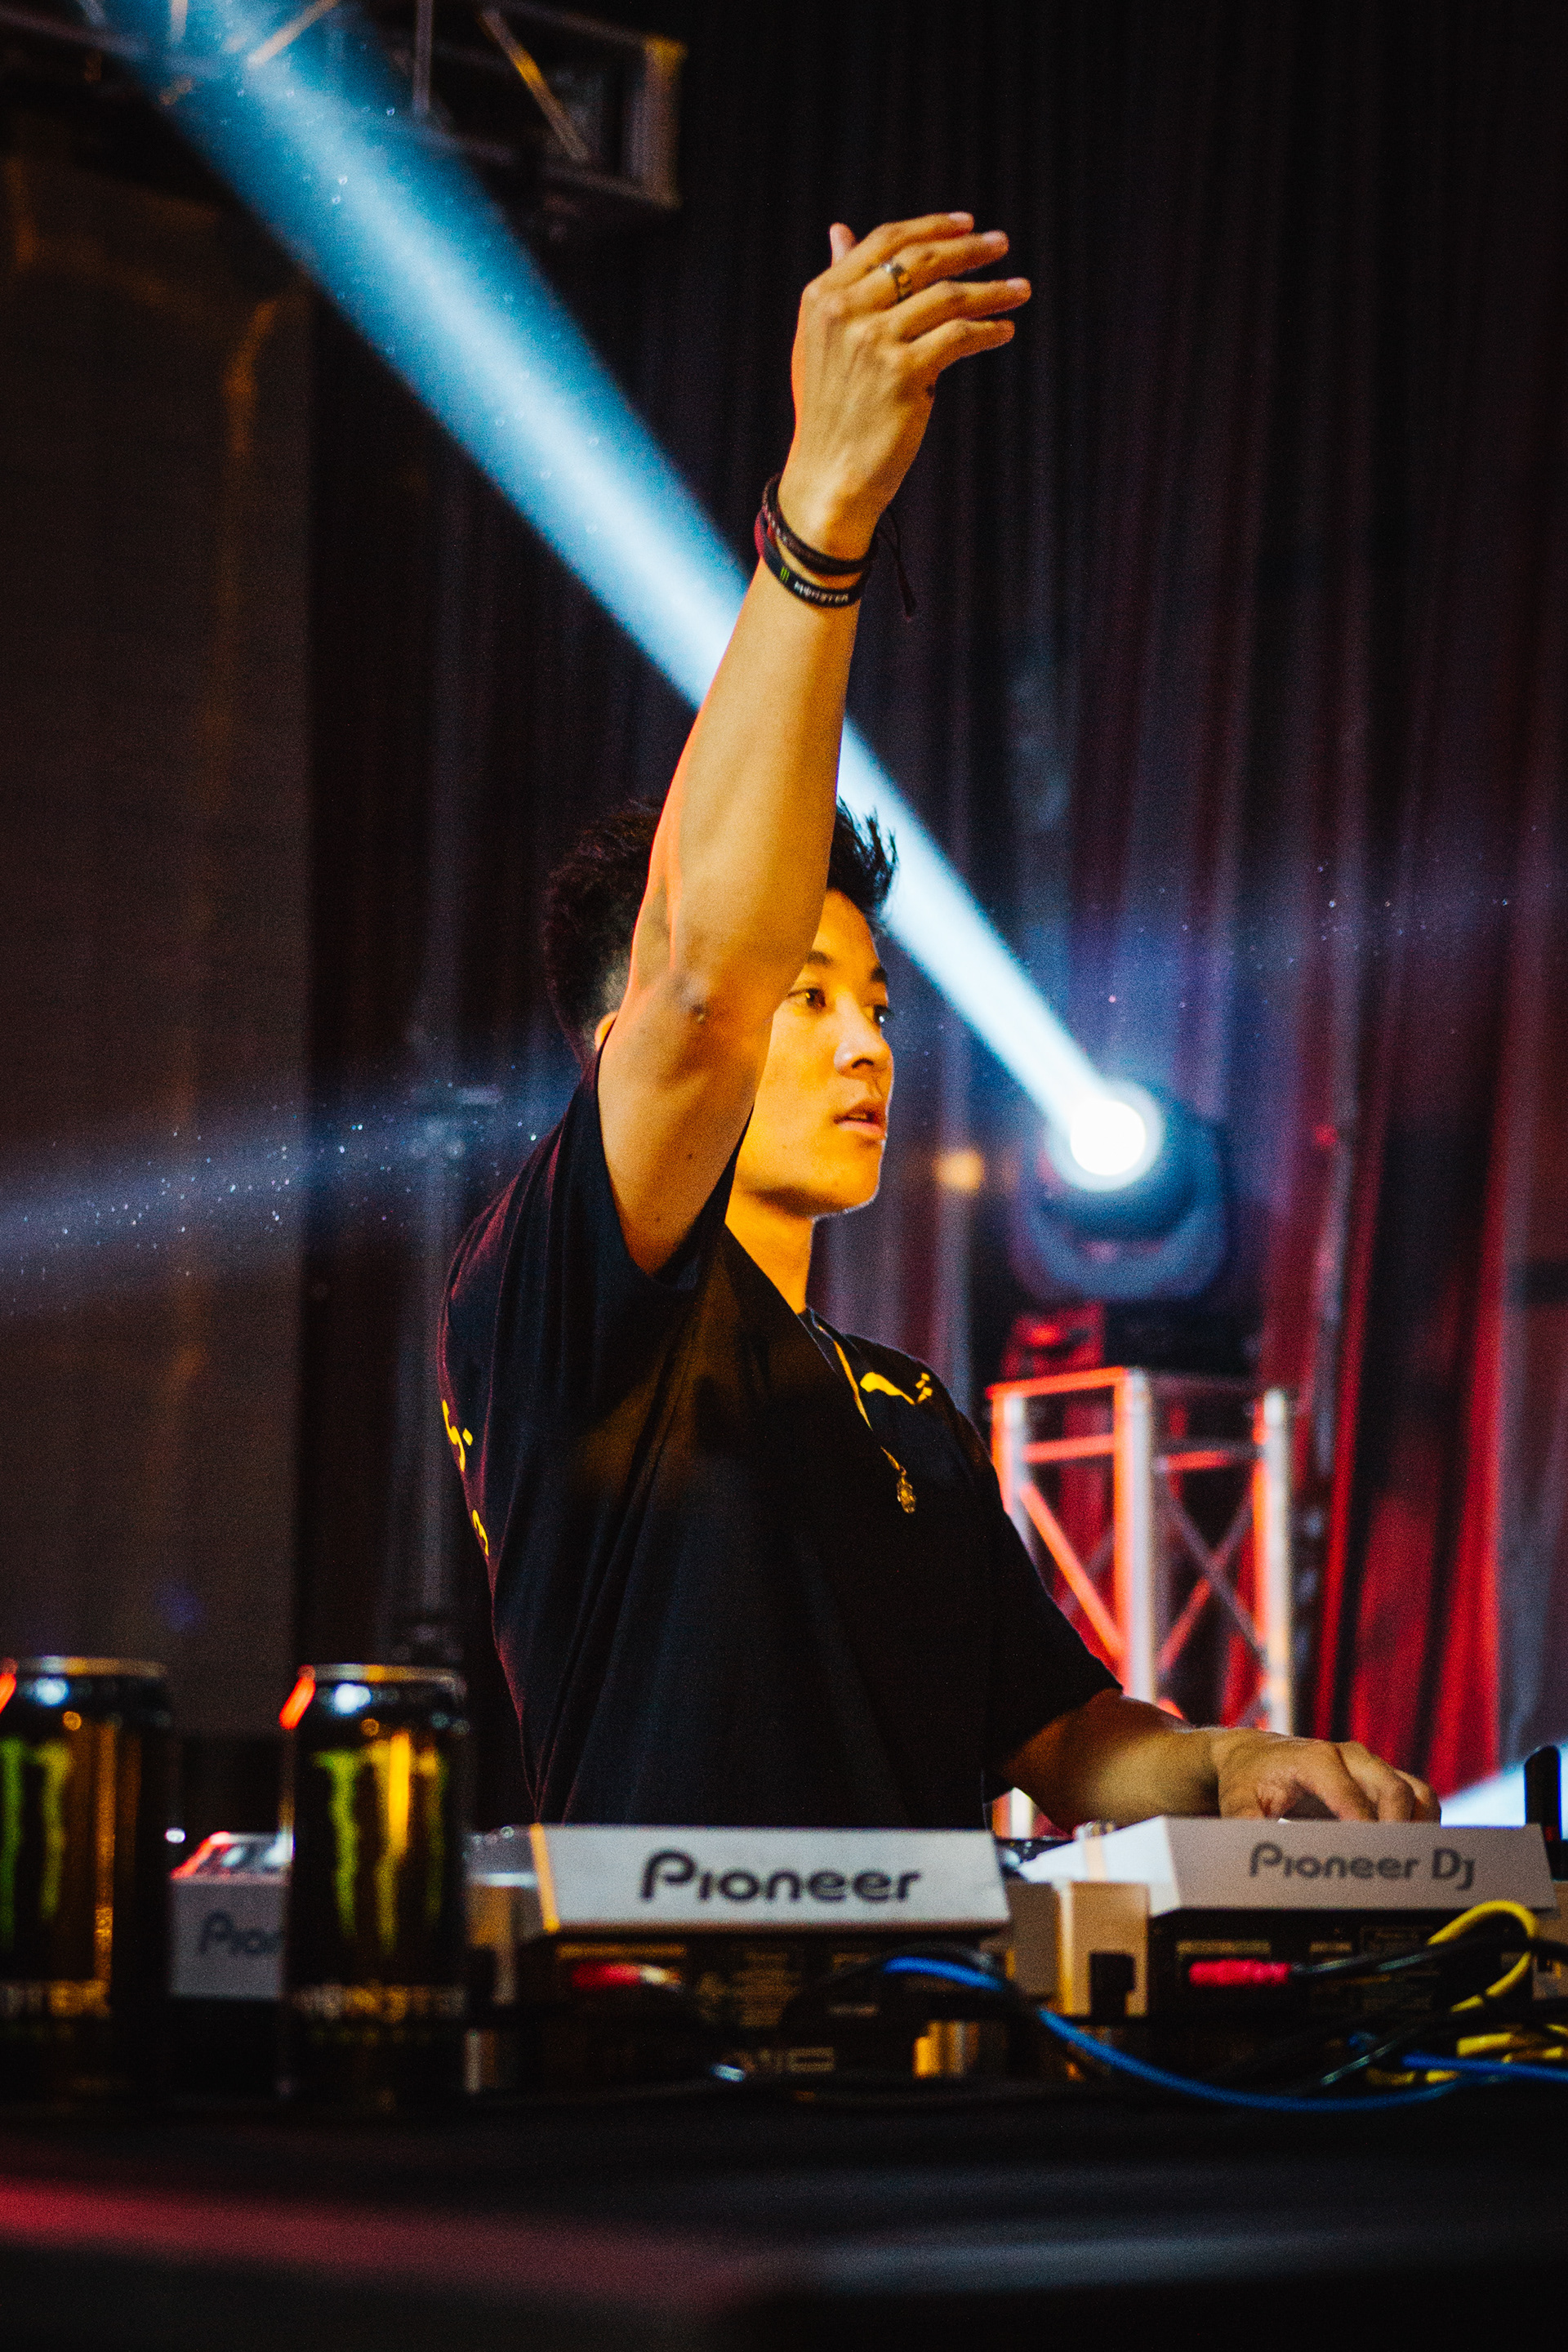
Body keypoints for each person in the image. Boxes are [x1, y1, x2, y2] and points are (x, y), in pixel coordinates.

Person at [439, 212, 1437, 1832]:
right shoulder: (563, 1294)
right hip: (664, 1998)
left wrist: (1228, 1760)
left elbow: (1061, 1737)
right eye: (807, 997)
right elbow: (701, 978)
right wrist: (821, 520)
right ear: (618, 1049)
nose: (864, 1045)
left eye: (875, 1004)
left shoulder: (904, 1412)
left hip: (933, 1999)